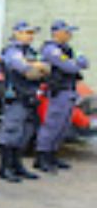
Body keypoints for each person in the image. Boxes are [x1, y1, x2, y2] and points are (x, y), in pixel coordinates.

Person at [0, 21, 49, 182]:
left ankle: (17, 165)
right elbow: (26, 71)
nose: (30, 36)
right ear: (17, 33)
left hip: (30, 96)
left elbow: (47, 70)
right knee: (11, 132)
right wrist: (36, 67)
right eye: (27, 32)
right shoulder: (12, 51)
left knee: (24, 133)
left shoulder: (31, 51)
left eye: (32, 33)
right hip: (16, 97)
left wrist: (37, 67)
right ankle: (4, 167)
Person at [34, 20, 89, 172]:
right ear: (57, 33)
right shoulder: (51, 49)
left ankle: (52, 154)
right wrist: (75, 63)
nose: (70, 35)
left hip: (69, 89)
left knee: (63, 126)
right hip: (57, 91)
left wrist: (76, 63)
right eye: (67, 32)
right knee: (52, 125)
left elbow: (85, 62)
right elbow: (69, 66)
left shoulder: (68, 49)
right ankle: (42, 156)